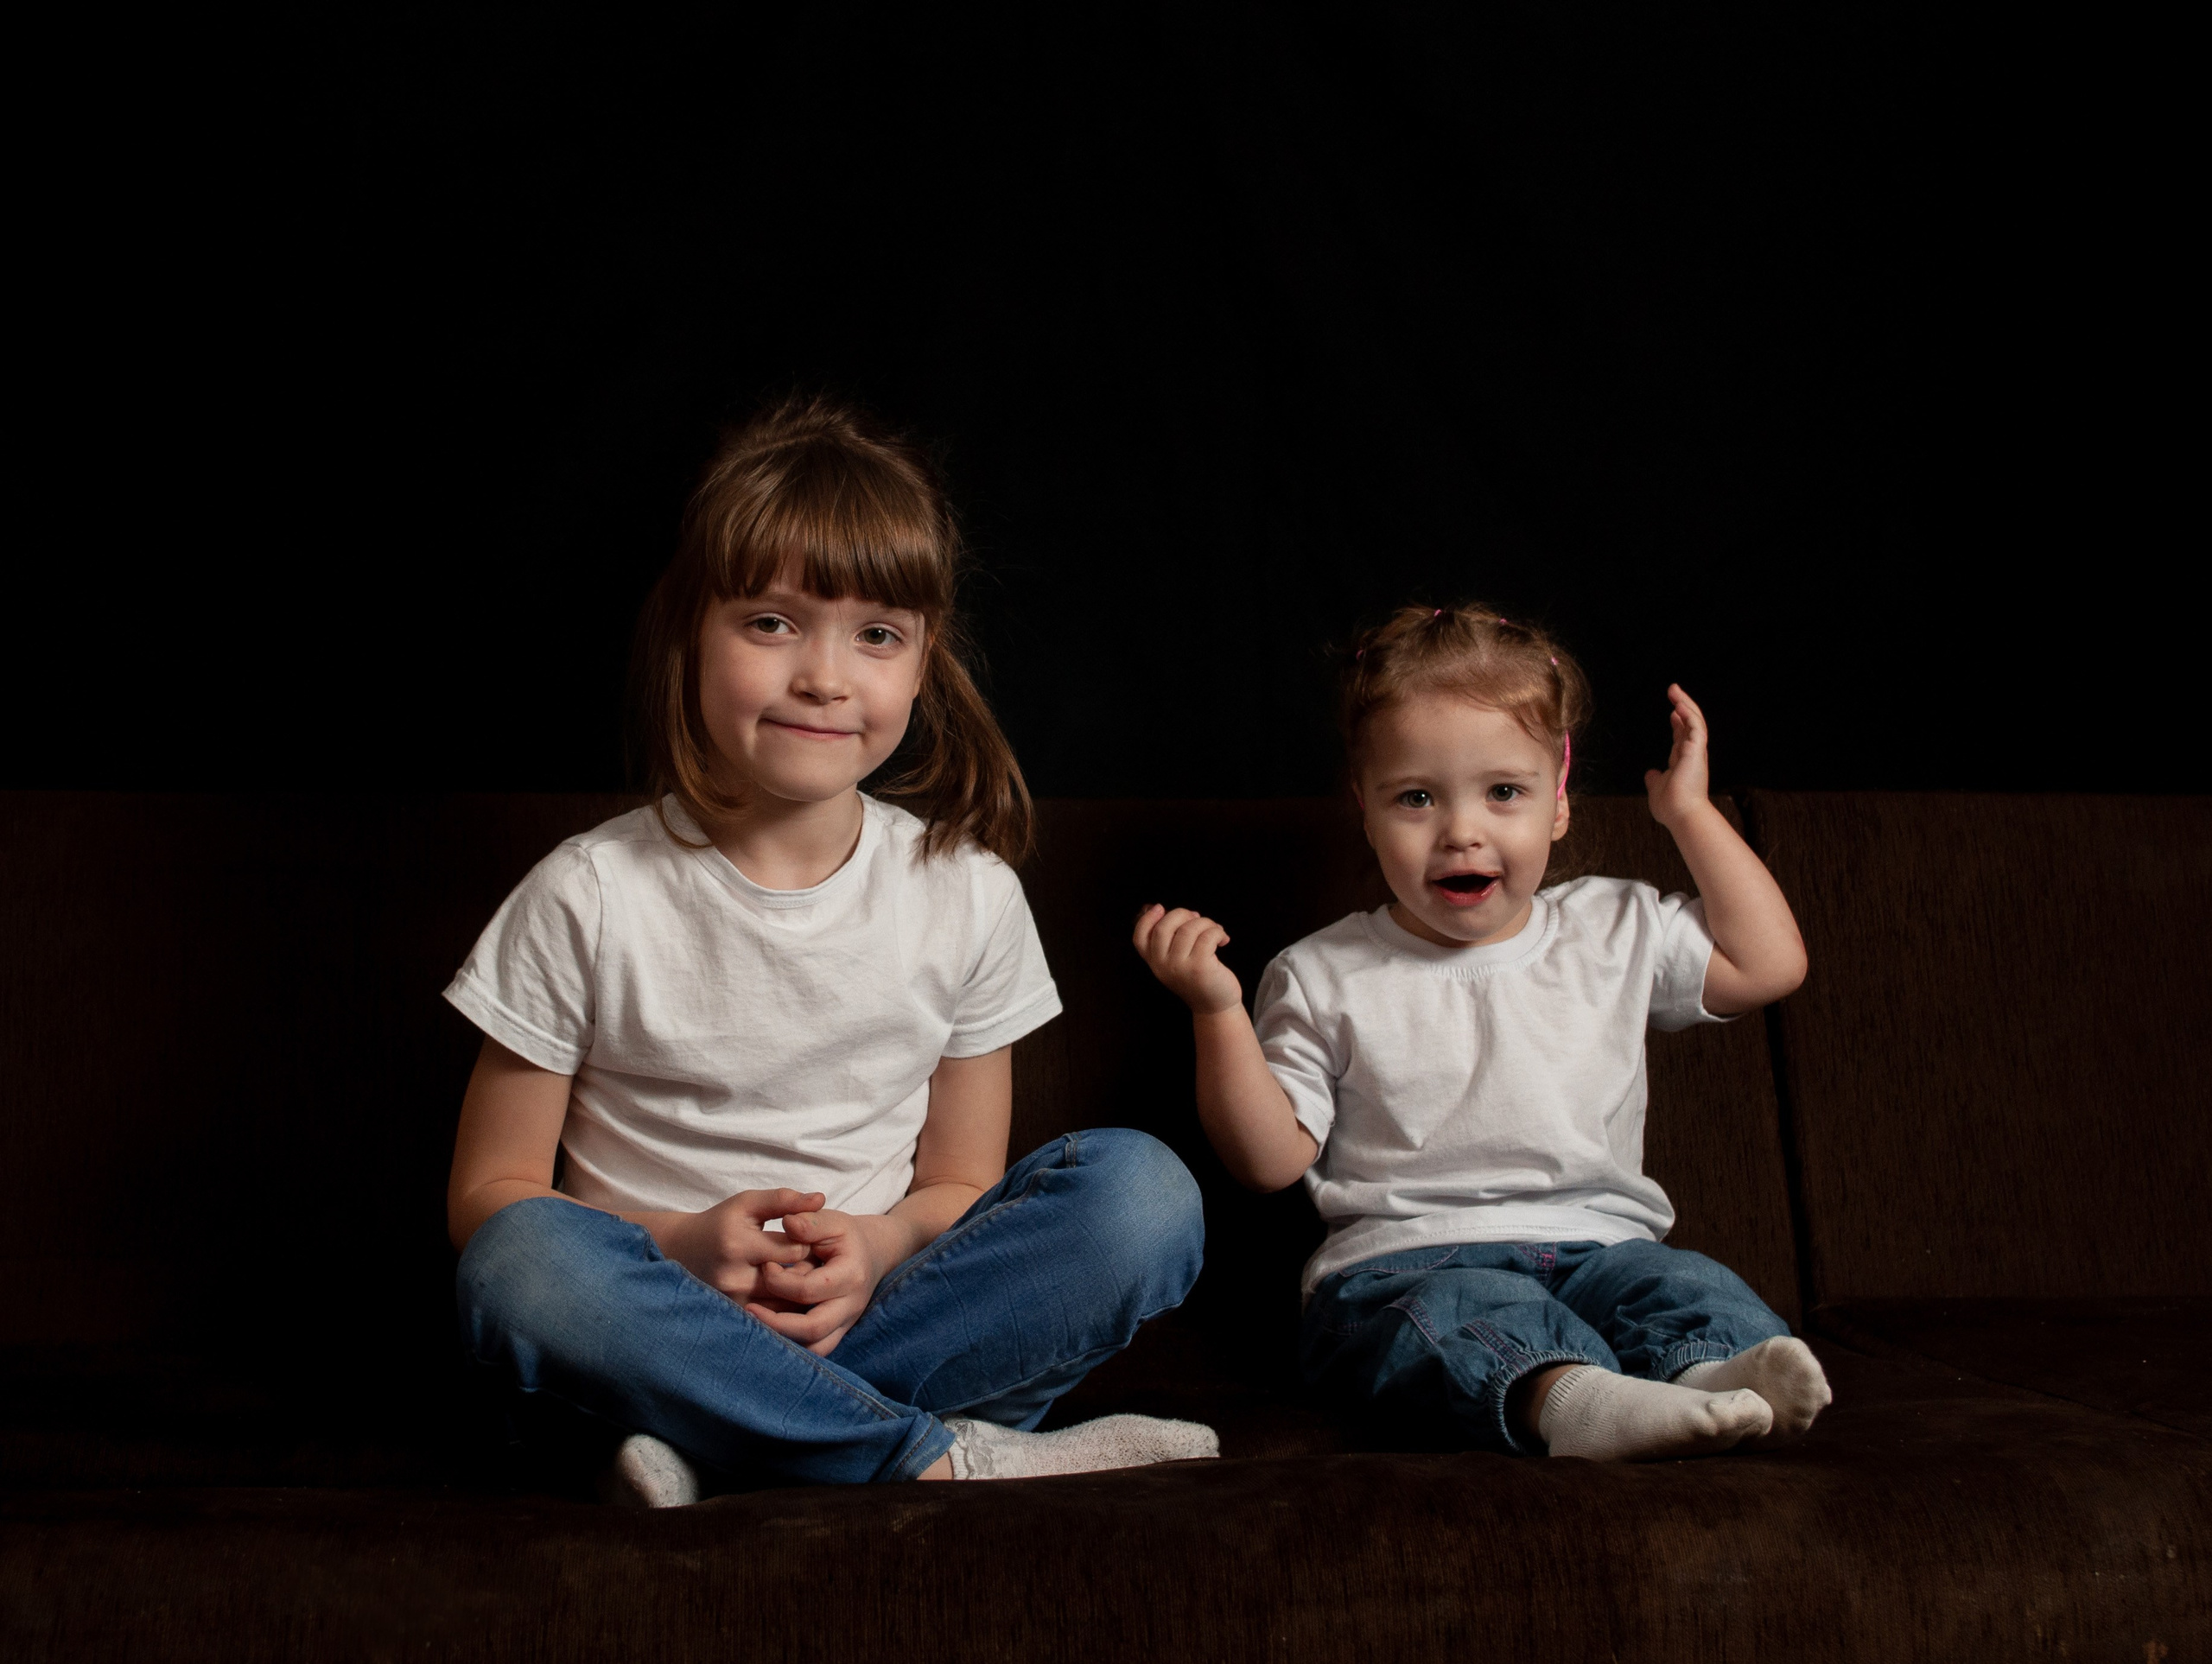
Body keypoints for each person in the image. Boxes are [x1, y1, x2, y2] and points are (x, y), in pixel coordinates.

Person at [447, 396, 1213, 1504]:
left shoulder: (967, 892)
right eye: (771, 623)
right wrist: (682, 1244)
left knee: (1142, 1193)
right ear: (691, 632)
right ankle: (925, 1456)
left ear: (923, 660)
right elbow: (490, 1193)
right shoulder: (589, 893)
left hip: (877, 1321)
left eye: (876, 635)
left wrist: (881, 1242)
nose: (824, 676)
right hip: (649, 1328)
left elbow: (957, 1185)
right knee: (520, 1261)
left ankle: (736, 1444)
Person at [1132, 603, 1831, 1462]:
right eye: (1416, 798)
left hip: (1603, 1253)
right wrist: (1216, 1010)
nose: (1462, 831)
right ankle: (1570, 1399)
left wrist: (1688, 812)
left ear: (1558, 802)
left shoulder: (1612, 927)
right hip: (1405, 1266)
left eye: (1504, 792)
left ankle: (1701, 1379)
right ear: (1364, 808)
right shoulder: (1322, 973)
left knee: (1688, 1284)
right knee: (1459, 1316)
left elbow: (1769, 966)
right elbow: (1267, 1160)